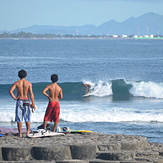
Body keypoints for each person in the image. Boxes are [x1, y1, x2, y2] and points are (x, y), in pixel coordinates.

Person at [9, 70, 35, 137]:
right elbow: (31, 94)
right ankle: (28, 132)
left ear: (18, 75)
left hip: (20, 100)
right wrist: (33, 103)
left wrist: (14, 97)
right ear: (26, 75)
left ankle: (20, 133)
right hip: (26, 100)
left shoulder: (16, 83)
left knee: (19, 117)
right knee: (27, 117)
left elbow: (10, 91)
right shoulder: (29, 83)